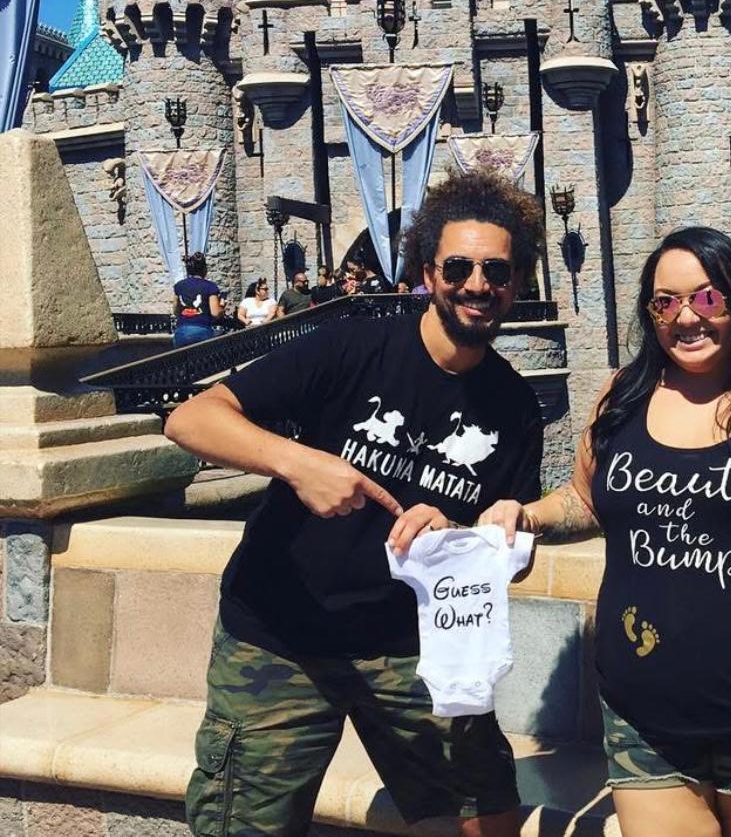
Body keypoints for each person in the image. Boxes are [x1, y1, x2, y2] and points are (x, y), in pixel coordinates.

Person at [479, 226, 731, 837]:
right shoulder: (623, 395)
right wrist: (530, 516)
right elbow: (586, 499)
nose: (686, 318)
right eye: (665, 302)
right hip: (641, 704)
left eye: (707, 298)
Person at [164, 170, 547, 837]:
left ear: (517, 281)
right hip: (279, 636)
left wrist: (461, 535)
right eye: (458, 265)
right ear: (428, 270)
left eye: (497, 269)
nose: (478, 284)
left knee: (486, 818)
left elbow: (507, 551)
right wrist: (298, 461)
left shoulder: (515, 408)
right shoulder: (354, 347)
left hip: (411, 646)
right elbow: (192, 419)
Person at [172, 253, 221, 347]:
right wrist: (221, 308)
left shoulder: (179, 286)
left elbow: (175, 310)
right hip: (202, 329)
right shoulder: (210, 287)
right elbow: (215, 313)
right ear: (204, 269)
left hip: (182, 331)